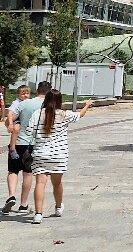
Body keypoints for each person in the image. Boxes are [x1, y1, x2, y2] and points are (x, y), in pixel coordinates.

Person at [23, 90, 93, 224]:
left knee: (40, 183)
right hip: (59, 155)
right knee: (57, 183)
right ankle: (58, 206)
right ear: (59, 101)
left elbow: (28, 131)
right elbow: (80, 115)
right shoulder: (64, 114)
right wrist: (86, 105)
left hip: (40, 154)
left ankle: (38, 214)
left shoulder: (37, 114)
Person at [4, 81, 49, 215]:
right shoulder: (47, 105)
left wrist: (11, 125)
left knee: (12, 171)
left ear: (37, 91)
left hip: (18, 142)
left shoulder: (23, 104)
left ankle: (12, 195)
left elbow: (8, 121)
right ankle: (23, 204)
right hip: (35, 143)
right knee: (28, 173)